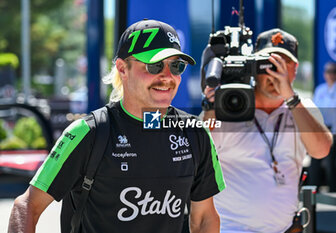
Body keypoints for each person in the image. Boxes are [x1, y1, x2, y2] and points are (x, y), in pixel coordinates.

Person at [8, 19, 226, 233]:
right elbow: (27, 206)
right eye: (155, 65)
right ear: (123, 69)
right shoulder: (88, 132)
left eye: (176, 66)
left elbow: (204, 218)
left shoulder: (195, 132)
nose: (167, 77)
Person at [202, 28, 332, 233]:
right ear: (254, 67)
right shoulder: (229, 106)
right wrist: (210, 107)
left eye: (282, 64)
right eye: (267, 64)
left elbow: (321, 150)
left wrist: (291, 98)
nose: (274, 72)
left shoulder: (302, 109)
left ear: (295, 69)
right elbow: (201, 155)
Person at [310, 62, 336, 192]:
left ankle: (332, 189)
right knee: (315, 160)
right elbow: (315, 110)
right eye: (328, 72)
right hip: (320, 130)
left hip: (334, 131)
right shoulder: (320, 90)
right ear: (324, 74)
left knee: (331, 162)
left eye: (333, 72)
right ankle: (313, 189)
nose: (330, 75)